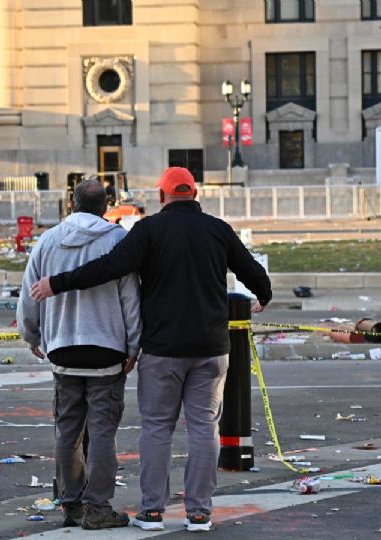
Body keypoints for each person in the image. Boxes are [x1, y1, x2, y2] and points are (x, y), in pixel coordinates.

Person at [30, 167, 272, 533]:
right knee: (205, 426)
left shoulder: (148, 231)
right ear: (195, 194)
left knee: (157, 428)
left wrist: (57, 284)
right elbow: (252, 271)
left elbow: (108, 269)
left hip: (162, 349)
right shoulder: (218, 230)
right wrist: (263, 294)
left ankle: (153, 511)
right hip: (211, 347)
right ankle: (199, 512)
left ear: (161, 197)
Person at [17, 179, 141, 530]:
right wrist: (134, 345)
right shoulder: (117, 240)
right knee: (103, 432)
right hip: (107, 348)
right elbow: (130, 298)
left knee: (67, 431)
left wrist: (32, 334)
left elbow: (29, 294)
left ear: (70, 204)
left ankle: (71, 505)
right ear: (106, 206)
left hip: (62, 348)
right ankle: (98, 508)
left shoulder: (48, 240)